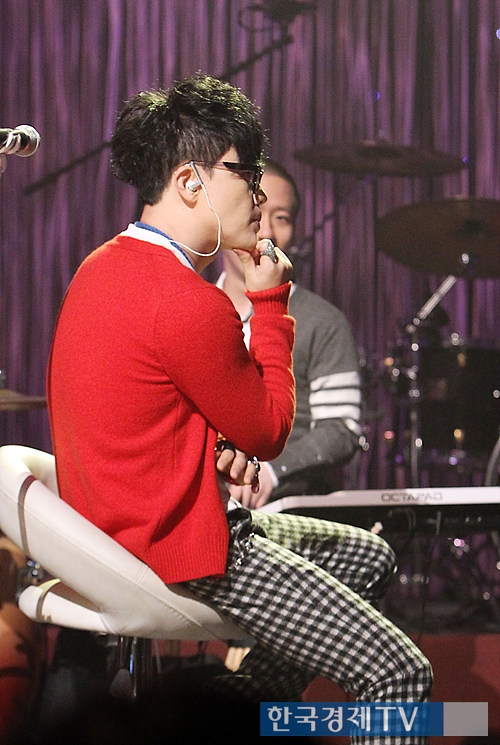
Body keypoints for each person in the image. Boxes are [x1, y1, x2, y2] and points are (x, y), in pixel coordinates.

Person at [47, 73, 432, 743]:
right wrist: (271, 300)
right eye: (247, 176)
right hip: (183, 549)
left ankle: (217, 718)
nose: (259, 197)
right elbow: (271, 430)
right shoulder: (187, 300)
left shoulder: (99, 266)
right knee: (401, 674)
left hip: (124, 531)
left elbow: (148, 410)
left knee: (370, 556)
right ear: (190, 182)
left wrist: (211, 449)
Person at [218, 158, 362, 508]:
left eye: (281, 218)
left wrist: (272, 470)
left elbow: (341, 428)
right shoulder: (193, 306)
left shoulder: (321, 320)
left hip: (287, 504)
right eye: (255, 211)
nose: (266, 231)